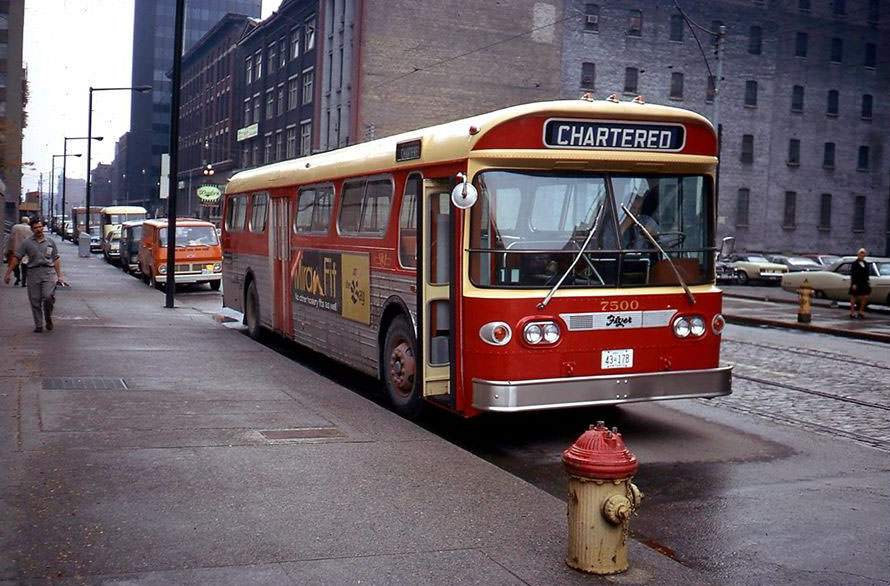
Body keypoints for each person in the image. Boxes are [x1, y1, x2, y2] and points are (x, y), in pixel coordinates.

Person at [4, 219, 67, 332]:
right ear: (32, 229)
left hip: (48, 272)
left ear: (43, 227)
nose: (38, 229)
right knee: (35, 300)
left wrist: (59, 275)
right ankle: (38, 325)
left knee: (48, 297)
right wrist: (8, 273)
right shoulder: (27, 243)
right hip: (33, 272)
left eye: (40, 227)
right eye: (36, 228)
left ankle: (48, 317)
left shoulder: (50, 242)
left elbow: (56, 258)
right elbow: (17, 257)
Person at [5, 216, 32, 287]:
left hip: (15, 249)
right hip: (26, 250)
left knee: (15, 265)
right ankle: (24, 281)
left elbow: (11, 238)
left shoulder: (15, 227)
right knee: (25, 266)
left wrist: (9, 248)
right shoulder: (30, 229)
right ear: (28, 221)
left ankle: (17, 277)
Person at [848, 248, 870, 319]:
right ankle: (852, 312)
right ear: (858, 254)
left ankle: (860, 311)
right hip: (856, 282)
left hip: (864, 282)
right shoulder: (854, 263)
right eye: (861, 253)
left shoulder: (866, 263)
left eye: (863, 253)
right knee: (853, 296)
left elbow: (867, 273)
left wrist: (868, 281)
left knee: (865, 296)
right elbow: (853, 273)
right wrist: (854, 283)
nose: (862, 254)